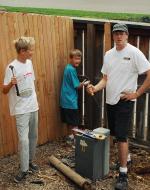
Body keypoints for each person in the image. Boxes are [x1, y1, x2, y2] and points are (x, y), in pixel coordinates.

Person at [87, 23, 150, 190]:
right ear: (113, 36)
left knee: (121, 137)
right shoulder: (108, 54)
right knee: (116, 134)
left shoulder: (134, 53)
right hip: (110, 101)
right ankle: (127, 158)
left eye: (122, 33)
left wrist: (136, 94)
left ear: (127, 35)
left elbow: (149, 73)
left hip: (125, 102)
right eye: (116, 33)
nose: (119, 36)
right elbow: (105, 79)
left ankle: (123, 174)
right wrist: (95, 87)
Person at [3, 37, 39, 183]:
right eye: (30, 50)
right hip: (21, 110)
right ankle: (23, 170)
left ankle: (30, 162)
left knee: (33, 137)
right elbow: (4, 90)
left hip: (33, 106)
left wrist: (36, 102)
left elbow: (31, 84)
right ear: (22, 51)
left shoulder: (29, 63)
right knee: (23, 140)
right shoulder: (11, 67)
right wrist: (11, 84)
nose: (32, 52)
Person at [60, 49, 87, 143]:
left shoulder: (67, 67)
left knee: (69, 120)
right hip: (70, 100)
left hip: (65, 99)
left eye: (79, 59)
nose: (78, 61)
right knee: (75, 122)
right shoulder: (71, 70)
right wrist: (84, 83)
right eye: (76, 59)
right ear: (70, 58)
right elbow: (77, 86)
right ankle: (77, 141)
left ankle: (70, 136)